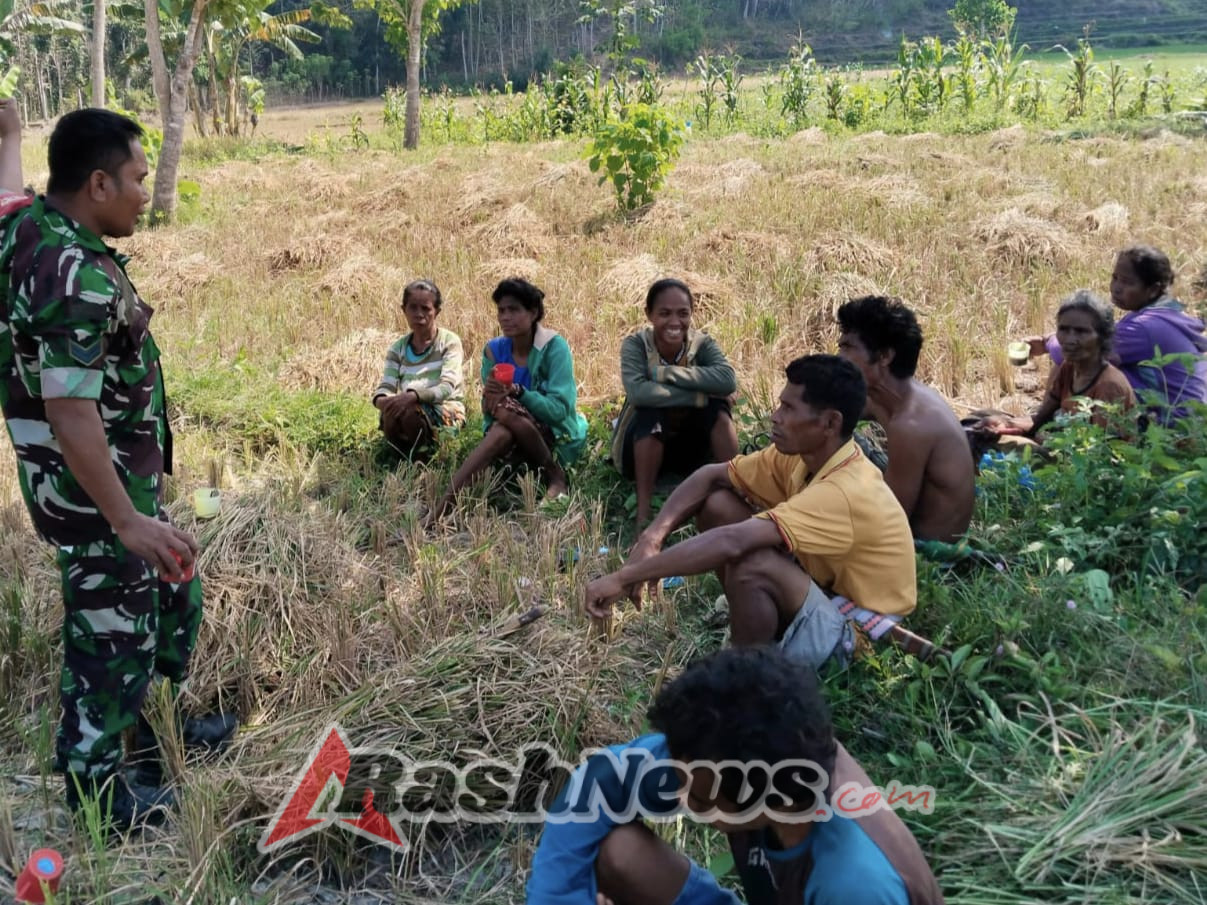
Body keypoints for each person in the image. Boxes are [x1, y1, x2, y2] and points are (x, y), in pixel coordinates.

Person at [0, 107, 235, 834]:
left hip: (117, 484)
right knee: (110, 636)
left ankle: (149, 736)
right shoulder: (73, 277)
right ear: (98, 183)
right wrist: (125, 518)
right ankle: (101, 794)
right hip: (95, 494)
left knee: (168, 596)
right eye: (136, 178)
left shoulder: (30, 227)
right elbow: (71, 414)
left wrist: (8, 135)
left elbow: (5, 196)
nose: (145, 191)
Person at [526, 645, 946, 905]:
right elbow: (600, 780)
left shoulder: (853, 884)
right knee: (620, 853)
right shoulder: (736, 749)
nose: (682, 794)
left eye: (703, 798)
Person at [585, 355, 916, 672]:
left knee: (751, 562)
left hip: (862, 632)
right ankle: (757, 636)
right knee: (719, 505)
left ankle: (746, 680)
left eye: (789, 408)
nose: (775, 416)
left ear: (830, 423)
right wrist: (652, 537)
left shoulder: (845, 491)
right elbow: (712, 475)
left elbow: (732, 541)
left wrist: (626, 576)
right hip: (823, 589)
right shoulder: (803, 455)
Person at [428, 278, 587, 525]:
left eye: (514, 310)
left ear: (533, 313)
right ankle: (554, 475)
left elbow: (559, 411)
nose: (505, 317)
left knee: (507, 416)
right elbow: (488, 409)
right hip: (509, 433)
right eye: (501, 310)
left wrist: (519, 392)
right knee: (504, 421)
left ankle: (440, 510)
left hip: (552, 434)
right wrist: (493, 397)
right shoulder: (494, 351)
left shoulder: (553, 348)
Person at [835, 296, 974, 544]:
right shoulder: (887, 396)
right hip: (904, 524)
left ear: (885, 356)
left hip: (925, 549)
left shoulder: (912, 424)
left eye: (847, 347)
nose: (838, 356)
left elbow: (889, 521)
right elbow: (828, 414)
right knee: (828, 432)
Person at [1025, 245, 1207, 424]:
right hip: (1189, 422)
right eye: (1115, 278)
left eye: (1127, 282)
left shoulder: (1145, 327)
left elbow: (1068, 350)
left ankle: (1048, 422)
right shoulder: (1164, 315)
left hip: (1170, 428)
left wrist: (1047, 342)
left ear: (1152, 289)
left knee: (1073, 360)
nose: (1116, 287)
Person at [611, 278, 739, 529]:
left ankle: (737, 491)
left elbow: (727, 381)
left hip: (690, 448)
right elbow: (638, 393)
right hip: (640, 448)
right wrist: (700, 396)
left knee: (718, 411)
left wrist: (665, 374)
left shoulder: (702, 344)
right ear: (649, 315)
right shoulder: (636, 345)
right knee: (652, 413)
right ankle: (644, 516)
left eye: (683, 313)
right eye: (664, 313)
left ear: (692, 314)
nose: (674, 322)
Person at [984, 290, 1135, 440]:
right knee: (983, 420)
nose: (1070, 339)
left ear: (1102, 337)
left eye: (1081, 332)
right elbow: (1041, 418)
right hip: (1061, 445)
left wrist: (1046, 440)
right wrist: (1008, 424)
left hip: (1081, 458)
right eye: (1063, 329)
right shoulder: (1069, 368)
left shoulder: (1109, 386)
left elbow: (1101, 454)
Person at [371, 278, 466, 457]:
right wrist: (383, 401)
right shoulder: (397, 349)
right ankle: (399, 459)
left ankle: (423, 459)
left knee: (409, 412)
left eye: (426, 308)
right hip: (408, 405)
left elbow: (447, 387)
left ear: (437, 311)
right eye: (413, 307)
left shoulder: (449, 342)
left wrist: (414, 397)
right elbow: (386, 386)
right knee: (393, 412)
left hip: (445, 408)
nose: (419, 314)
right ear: (403, 310)